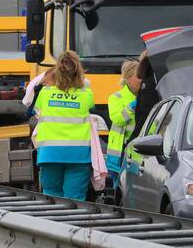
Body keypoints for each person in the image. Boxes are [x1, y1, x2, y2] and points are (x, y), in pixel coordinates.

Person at [32, 50, 94, 200]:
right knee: (75, 199)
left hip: (50, 153)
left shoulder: (45, 94)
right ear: (78, 71)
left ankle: (52, 224)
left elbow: (36, 111)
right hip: (78, 155)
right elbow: (87, 96)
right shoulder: (86, 95)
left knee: (52, 197)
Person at [106, 60, 141, 177]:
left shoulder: (146, 96)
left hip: (138, 149)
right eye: (139, 76)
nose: (142, 80)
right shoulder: (116, 97)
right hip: (120, 153)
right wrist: (131, 108)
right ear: (128, 78)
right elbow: (117, 119)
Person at [125, 50, 158, 148]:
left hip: (146, 138)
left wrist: (133, 139)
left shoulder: (148, 84)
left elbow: (144, 116)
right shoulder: (153, 82)